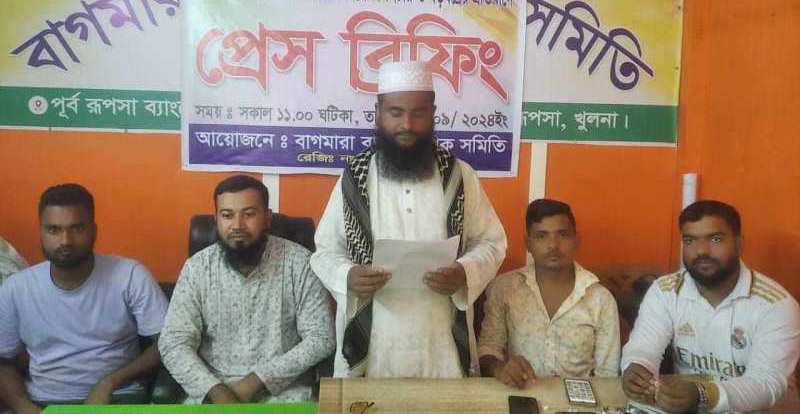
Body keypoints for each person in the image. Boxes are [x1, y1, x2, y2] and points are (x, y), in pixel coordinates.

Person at [310, 60, 507, 378]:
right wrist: (348, 275)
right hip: (376, 342)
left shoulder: (458, 175)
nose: (407, 124)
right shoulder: (356, 177)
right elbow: (325, 250)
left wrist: (464, 271)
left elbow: (490, 242)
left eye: (418, 113)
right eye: (396, 112)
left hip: (440, 342)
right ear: (379, 112)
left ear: (433, 112)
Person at [159, 175, 335, 404]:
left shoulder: (299, 264)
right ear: (216, 219)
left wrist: (256, 381)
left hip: (284, 391)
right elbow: (174, 342)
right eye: (227, 215)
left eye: (249, 214)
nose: (237, 225)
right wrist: (216, 391)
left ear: (267, 218)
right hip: (212, 390)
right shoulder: (198, 268)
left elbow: (321, 337)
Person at [0, 184, 168, 412]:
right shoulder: (16, 288)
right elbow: (3, 363)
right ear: (41, 231)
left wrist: (109, 383)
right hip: (43, 402)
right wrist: (23, 407)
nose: (65, 240)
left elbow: (168, 343)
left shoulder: (130, 275)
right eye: (53, 230)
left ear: (94, 231)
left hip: (118, 397)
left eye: (77, 228)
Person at [621, 200, 800, 413]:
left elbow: (767, 382)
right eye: (690, 240)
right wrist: (636, 366)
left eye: (715, 239)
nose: (701, 251)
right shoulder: (665, 291)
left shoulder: (775, 305)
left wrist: (704, 394)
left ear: (739, 243)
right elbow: (644, 346)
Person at [478, 199, 620, 388]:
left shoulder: (600, 299)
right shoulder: (505, 288)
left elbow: (607, 375)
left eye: (563, 235)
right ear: (527, 243)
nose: (553, 245)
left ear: (577, 240)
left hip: (579, 400)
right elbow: (489, 346)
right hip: (520, 394)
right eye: (541, 236)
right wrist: (499, 368)